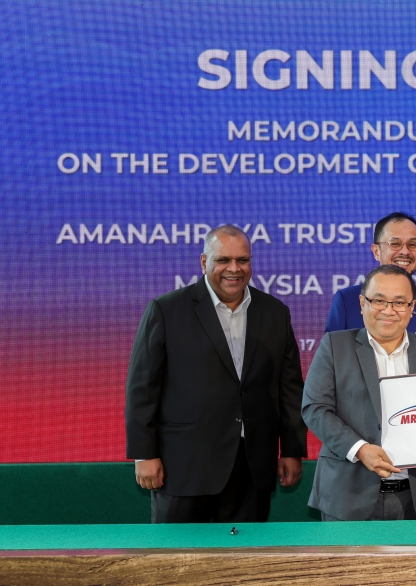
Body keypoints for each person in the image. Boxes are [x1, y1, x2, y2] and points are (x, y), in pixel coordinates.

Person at [125, 224, 307, 523]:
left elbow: (289, 388)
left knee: (243, 564)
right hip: (184, 467)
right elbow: (142, 388)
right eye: (223, 260)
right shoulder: (167, 310)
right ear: (204, 262)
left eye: (243, 260)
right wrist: (144, 454)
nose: (234, 269)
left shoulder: (275, 312)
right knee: (177, 561)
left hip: (252, 467)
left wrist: (291, 449)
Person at [303, 265, 416, 521]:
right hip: (348, 495)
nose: (388, 310)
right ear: (362, 303)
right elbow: (315, 409)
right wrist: (360, 449)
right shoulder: (335, 346)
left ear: (412, 307)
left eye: (399, 302)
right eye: (379, 300)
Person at [325, 212, 416, 368]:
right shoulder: (346, 301)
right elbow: (330, 366)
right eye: (395, 244)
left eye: (412, 244)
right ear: (376, 250)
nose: (405, 252)